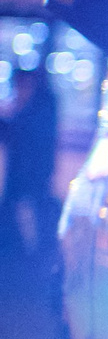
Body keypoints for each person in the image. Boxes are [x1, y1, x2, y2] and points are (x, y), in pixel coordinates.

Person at [1, 32, 58, 260]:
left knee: (32, 210)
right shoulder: (37, 107)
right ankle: (27, 251)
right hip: (28, 171)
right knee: (25, 209)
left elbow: (19, 134)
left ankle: (31, 253)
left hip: (31, 171)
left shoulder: (38, 109)